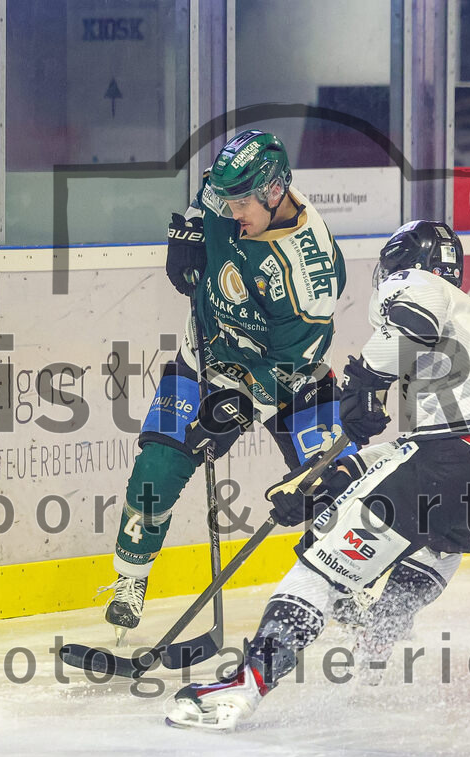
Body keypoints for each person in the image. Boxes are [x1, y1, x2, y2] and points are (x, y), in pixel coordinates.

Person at [164, 220, 470, 731]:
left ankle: (243, 686)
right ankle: (380, 632)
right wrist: (332, 482)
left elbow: (412, 327)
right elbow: (414, 457)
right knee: (437, 535)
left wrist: (362, 384)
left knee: (322, 567)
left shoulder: (419, 284)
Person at [103, 130, 355, 641]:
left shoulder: (309, 272)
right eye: (228, 198)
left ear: (274, 192)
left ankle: (352, 592)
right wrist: (191, 233)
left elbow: (289, 365)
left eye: (242, 201)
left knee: (331, 489)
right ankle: (129, 581)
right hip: (207, 355)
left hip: (290, 378)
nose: (230, 208)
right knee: (155, 467)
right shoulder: (232, 194)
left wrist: (233, 406)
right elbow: (206, 198)